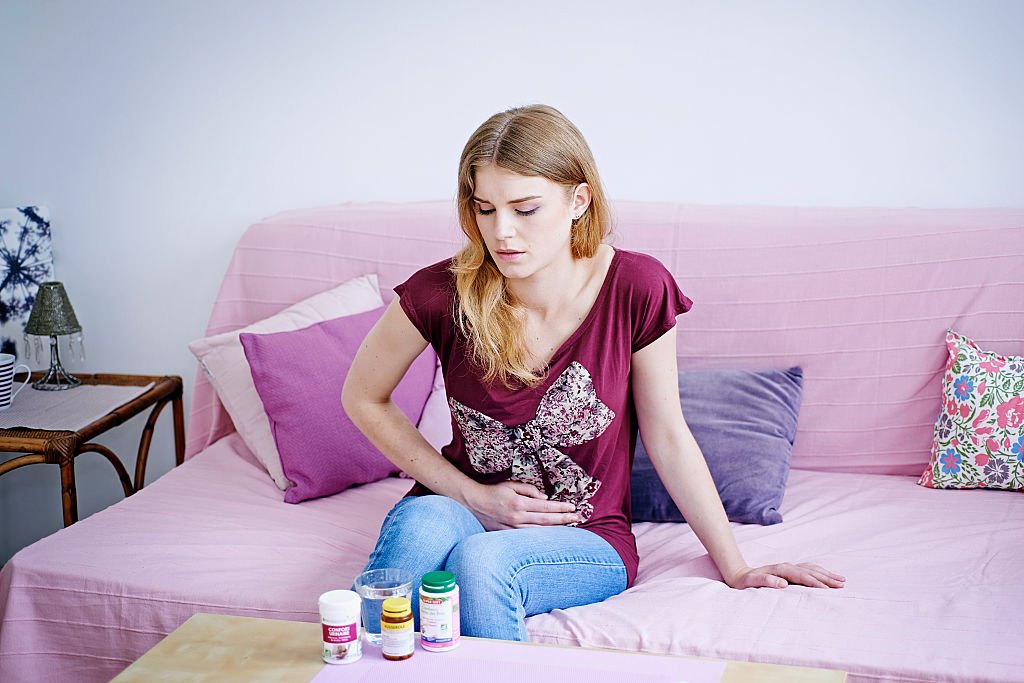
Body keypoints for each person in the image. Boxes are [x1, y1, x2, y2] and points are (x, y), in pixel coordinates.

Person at [341, 104, 845, 642]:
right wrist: (472, 496)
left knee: (480, 563)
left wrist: (736, 566)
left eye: (525, 208)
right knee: (419, 532)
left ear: (578, 200)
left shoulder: (636, 287)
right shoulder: (439, 293)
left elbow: (668, 435)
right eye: (485, 209)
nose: (501, 232)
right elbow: (363, 396)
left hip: (585, 533)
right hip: (463, 502)